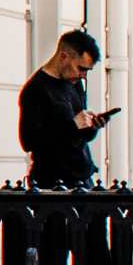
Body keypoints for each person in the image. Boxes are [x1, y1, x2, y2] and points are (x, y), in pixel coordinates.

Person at [17, 29, 115, 188]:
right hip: (52, 182)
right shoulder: (36, 89)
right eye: (81, 68)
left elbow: (77, 138)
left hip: (82, 177)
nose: (83, 76)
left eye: (87, 71)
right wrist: (73, 125)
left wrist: (91, 126)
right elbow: (28, 141)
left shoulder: (75, 85)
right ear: (63, 56)